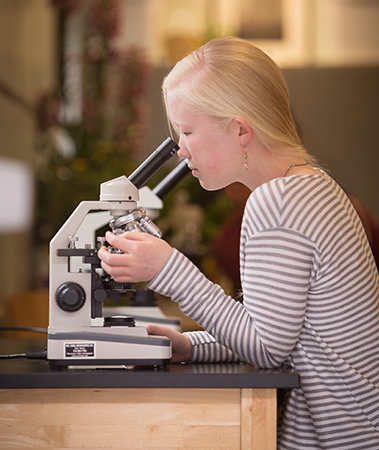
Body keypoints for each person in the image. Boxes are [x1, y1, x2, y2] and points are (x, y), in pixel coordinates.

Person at [98, 36, 379, 449]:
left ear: (241, 130)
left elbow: (265, 348)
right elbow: (280, 330)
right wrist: (190, 346)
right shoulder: (314, 185)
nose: (181, 149)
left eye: (188, 131)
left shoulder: (275, 203)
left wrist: (168, 270)